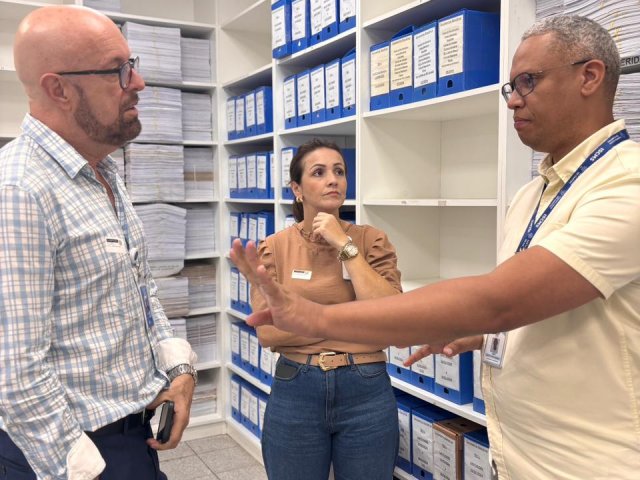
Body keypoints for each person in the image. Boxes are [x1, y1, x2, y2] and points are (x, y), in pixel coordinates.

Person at [231, 15, 640, 479]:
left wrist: (315, 317)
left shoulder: (627, 184)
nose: (513, 100)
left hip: (591, 464)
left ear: (589, 76)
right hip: (524, 456)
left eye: (528, 81)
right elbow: (547, 306)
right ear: (296, 188)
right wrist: (488, 336)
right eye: (510, 87)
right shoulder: (534, 194)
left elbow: (498, 301)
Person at [0, 6, 197, 480]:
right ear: (59, 89)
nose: (139, 82)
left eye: (133, 65)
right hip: (68, 453)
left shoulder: (101, 171)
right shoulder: (19, 190)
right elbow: (15, 371)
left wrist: (178, 369)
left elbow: (140, 290)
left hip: (131, 433)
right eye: (118, 70)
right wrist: (85, 468)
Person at [250, 139, 403, 479]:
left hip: (366, 388)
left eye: (339, 171)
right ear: (297, 189)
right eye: (319, 173)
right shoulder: (274, 248)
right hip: (296, 388)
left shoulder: (370, 241)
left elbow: (390, 318)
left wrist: (345, 246)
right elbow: (269, 332)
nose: (333, 179)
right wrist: (357, 323)